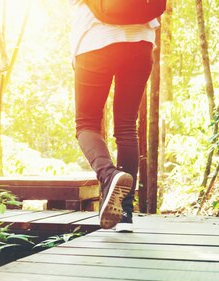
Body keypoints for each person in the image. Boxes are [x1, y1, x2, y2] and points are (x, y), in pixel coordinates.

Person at [70, 0, 158, 231]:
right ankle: (125, 213)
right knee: (127, 126)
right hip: (140, 41)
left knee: (86, 124)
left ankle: (109, 177)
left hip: (95, 40)